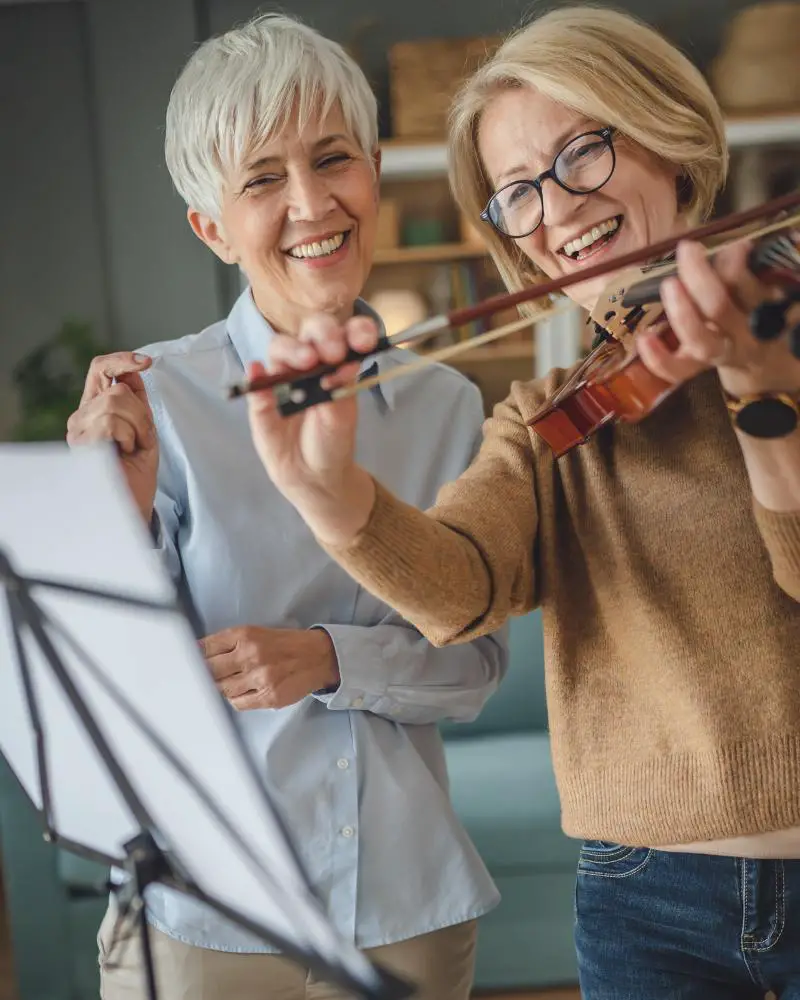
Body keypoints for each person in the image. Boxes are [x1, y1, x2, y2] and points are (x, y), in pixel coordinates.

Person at [242, 7, 800, 999]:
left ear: (669, 142)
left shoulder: (780, 344)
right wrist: (327, 495)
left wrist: (762, 391)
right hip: (644, 900)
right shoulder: (554, 419)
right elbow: (458, 584)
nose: (556, 209)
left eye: (580, 152)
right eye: (516, 194)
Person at [66, 13, 508, 1000]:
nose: (311, 202)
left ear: (376, 172)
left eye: (332, 159)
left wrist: (326, 658)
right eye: (263, 177)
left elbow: (475, 666)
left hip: (405, 905)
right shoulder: (152, 405)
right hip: (209, 904)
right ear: (211, 226)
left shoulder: (448, 407)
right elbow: (104, 688)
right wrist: (112, 517)